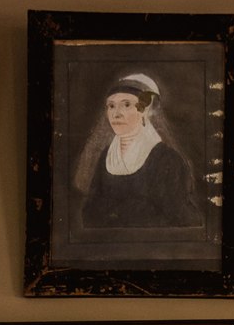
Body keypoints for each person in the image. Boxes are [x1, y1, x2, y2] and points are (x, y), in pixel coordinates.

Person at [75, 72, 199, 233]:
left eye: (126, 105)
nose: (116, 113)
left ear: (145, 110)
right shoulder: (106, 156)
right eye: (111, 106)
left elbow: (178, 219)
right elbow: (89, 211)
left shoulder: (167, 159)